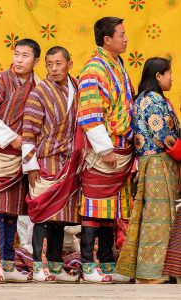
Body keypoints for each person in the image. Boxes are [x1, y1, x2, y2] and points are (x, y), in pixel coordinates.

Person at [0, 38, 40, 283]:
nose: (19, 60)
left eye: (25, 56)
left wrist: (24, 146)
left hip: (20, 157)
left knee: (12, 212)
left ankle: (9, 265)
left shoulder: (39, 86)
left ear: (35, 61)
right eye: (16, 54)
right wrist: (12, 139)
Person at [77, 17, 134, 283]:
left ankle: (108, 262)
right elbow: (89, 114)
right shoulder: (93, 69)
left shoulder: (118, 65)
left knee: (111, 210)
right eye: (121, 34)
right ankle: (89, 265)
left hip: (122, 147)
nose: (126, 38)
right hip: (105, 150)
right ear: (107, 39)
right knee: (93, 206)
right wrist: (105, 149)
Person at [117, 57, 180, 283]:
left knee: (156, 216)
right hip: (157, 164)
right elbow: (165, 136)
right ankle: (150, 273)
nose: (171, 77)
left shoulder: (147, 99)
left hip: (154, 163)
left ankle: (156, 270)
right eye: (169, 73)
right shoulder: (152, 100)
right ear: (158, 76)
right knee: (158, 218)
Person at [22, 46, 81, 283]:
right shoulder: (39, 93)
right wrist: (31, 166)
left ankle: (56, 267)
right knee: (42, 216)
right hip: (45, 161)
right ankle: (38, 266)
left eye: (59, 63)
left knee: (60, 217)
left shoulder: (76, 89)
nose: (54, 68)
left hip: (67, 163)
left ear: (69, 64)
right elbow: (28, 132)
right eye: (49, 64)